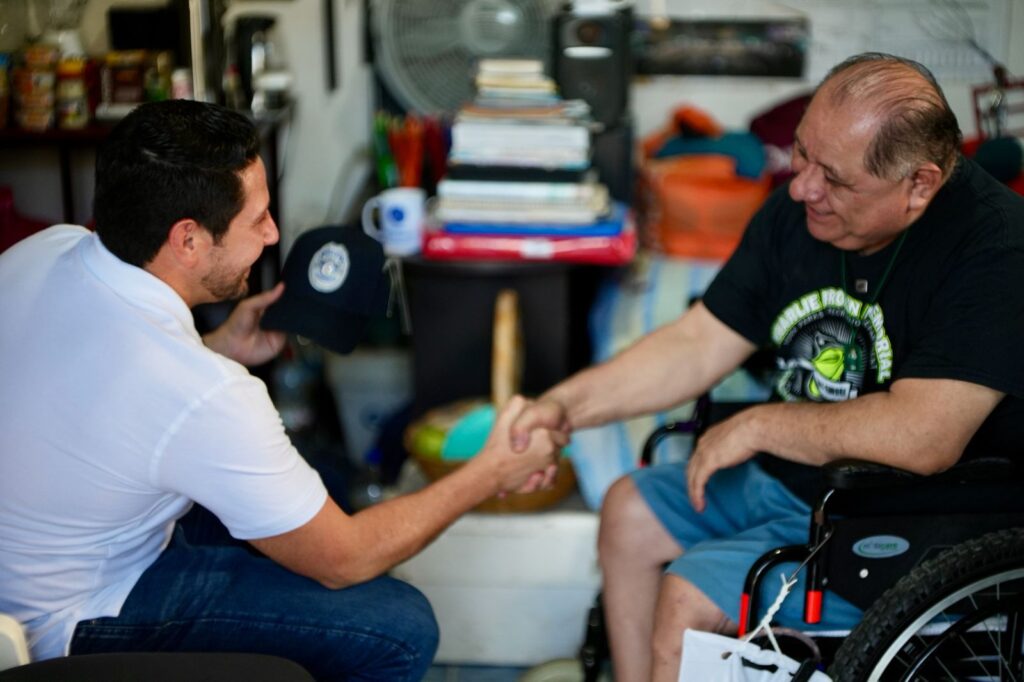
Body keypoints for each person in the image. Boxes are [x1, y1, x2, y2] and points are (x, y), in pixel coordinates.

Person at [0, 99, 561, 680]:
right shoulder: (204, 392)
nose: (272, 234)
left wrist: (217, 346)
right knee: (396, 625)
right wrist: (492, 470)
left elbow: (110, 388)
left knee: (322, 489)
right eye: (257, 219)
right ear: (188, 240)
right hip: (65, 618)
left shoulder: (43, 249)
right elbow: (346, 559)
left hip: (24, 565)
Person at [510, 52, 1024, 681]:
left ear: (919, 184)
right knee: (629, 511)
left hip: (906, 517)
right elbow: (698, 343)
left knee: (688, 594)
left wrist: (758, 425)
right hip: (799, 482)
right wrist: (561, 408)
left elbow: (923, 436)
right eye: (802, 153)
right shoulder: (798, 214)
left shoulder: (995, 249)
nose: (803, 186)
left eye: (834, 178)